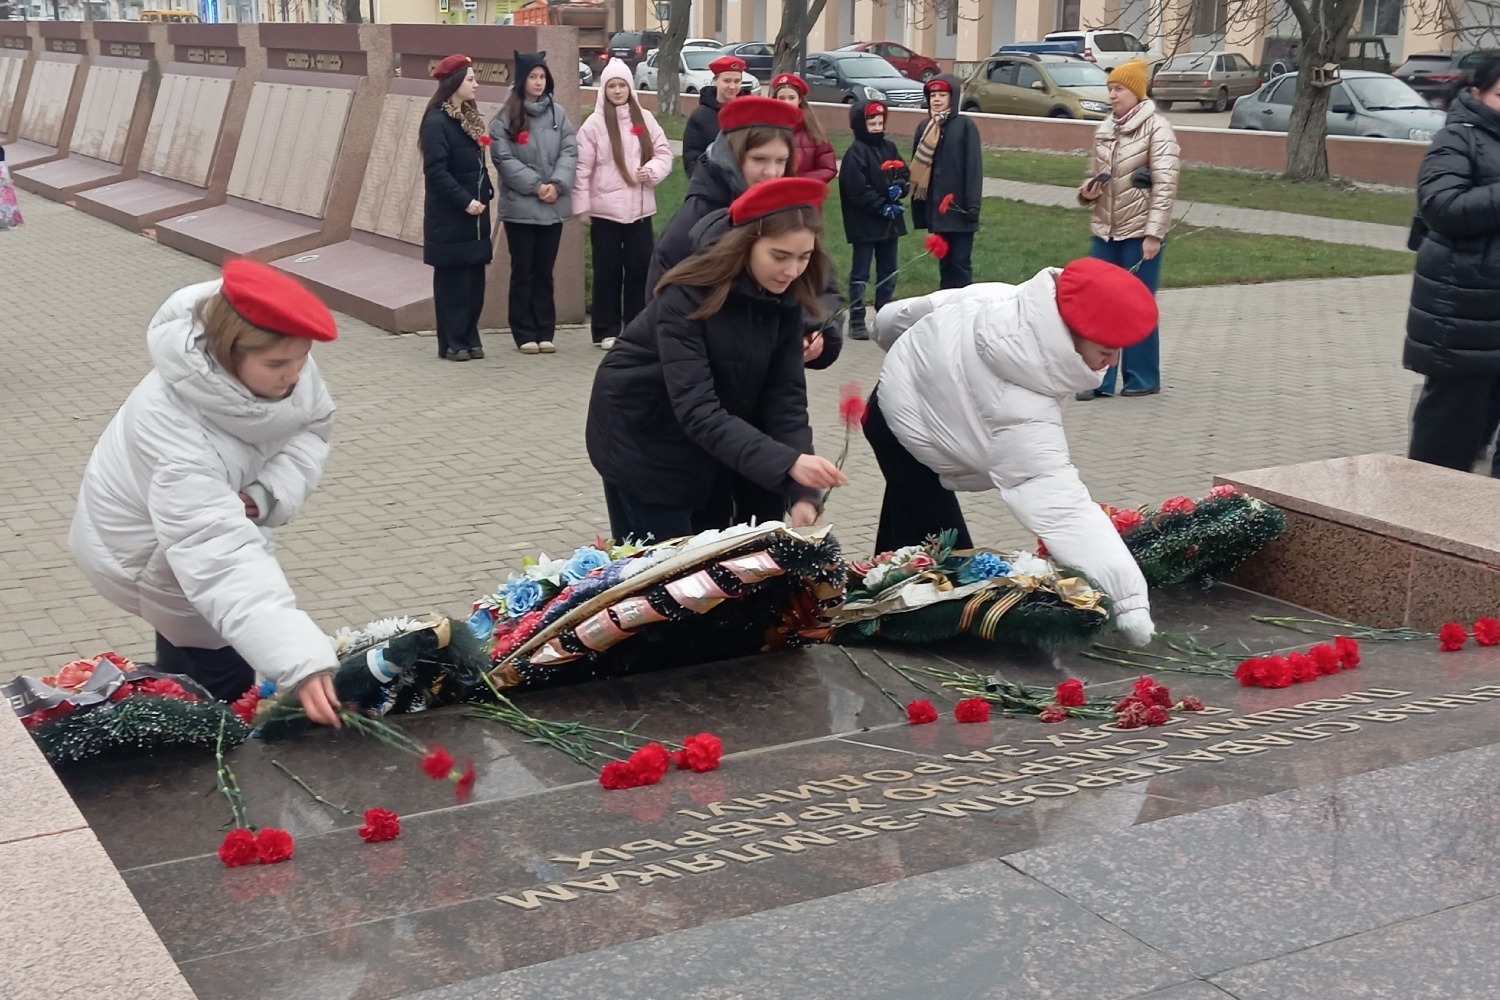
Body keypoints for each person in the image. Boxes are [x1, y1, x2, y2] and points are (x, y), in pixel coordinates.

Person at [68, 260, 344, 724]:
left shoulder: (283, 359)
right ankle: (178, 741)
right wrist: (300, 658)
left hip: (196, 532)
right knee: (216, 679)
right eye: (278, 365)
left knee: (206, 654)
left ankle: (170, 707)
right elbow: (217, 556)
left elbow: (311, 427)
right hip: (146, 550)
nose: (296, 376)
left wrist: (266, 492)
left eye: (302, 358)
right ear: (227, 351)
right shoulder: (177, 434)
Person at [865, 258, 1160, 647]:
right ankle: (910, 630)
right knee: (949, 565)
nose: (1114, 361)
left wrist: (882, 325)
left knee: (909, 532)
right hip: (907, 436)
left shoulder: (1003, 299)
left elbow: (916, 310)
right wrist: (1129, 602)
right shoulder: (1023, 408)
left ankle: (872, 602)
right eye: (1106, 350)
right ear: (1071, 332)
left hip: (889, 406)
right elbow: (1063, 510)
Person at [586, 177, 848, 542]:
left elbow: (785, 400)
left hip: (708, 446)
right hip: (643, 442)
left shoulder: (786, 300)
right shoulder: (686, 297)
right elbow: (698, 410)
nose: (792, 271)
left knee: (715, 557)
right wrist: (789, 463)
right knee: (664, 565)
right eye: (780, 256)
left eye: (804, 257)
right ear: (746, 243)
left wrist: (802, 492)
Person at [648, 95, 845, 370]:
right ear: (731, 155)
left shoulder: (793, 214)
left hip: (766, 375)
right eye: (759, 159)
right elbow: (660, 308)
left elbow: (822, 284)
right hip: (701, 375)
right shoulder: (694, 219)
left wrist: (817, 330)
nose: (771, 172)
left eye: (781, 161)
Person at [1406, 53, 1500, 475]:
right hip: (1467, 318)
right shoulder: (1458, 138)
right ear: (1477, 93)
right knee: (1445, 452)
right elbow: (1443, 207)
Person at [1075, 59, 1179, 400]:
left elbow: (1165, 186)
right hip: (1105, 231)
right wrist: (1087, 192)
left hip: (1139, 233)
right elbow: (1091, 173)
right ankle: (1099, 379)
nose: (1112, 95)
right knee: (1099, 303)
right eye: (1109, 89)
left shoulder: (1158, 129)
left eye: (1118, 89)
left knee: (1136, 305)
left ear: (1136, 92)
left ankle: (1142, 377)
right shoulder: (1105, 129)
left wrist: (1154, 235)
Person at [573, 58, 673, 350]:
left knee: (639, 268)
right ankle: (606, 329)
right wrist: (581, 206)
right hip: (605, 212)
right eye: (612, 86)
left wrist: (651, 171)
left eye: (622, 85)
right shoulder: (594, 125)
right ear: (604, 90)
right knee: (607, 270)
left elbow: (663, 153)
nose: (617, 91)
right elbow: (582, 169)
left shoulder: (645, 119)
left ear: (630, 88)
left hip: (639, 211)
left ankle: (637, 327)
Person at [488, 51, 578, 355]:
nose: (538, 82)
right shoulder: (505, 118)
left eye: (542, 77)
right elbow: (503, 159)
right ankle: (524, 332)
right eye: (533, 77)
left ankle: (545, 330)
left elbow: (569, 150)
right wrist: (537, 186)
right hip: (521, 209)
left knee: (544, 271)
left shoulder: (558, 114)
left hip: (553, 205)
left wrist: (557, 184)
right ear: (521, 80)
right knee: (523, 271)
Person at [419, 54, 495, 363]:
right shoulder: (436, 121)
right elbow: (436, 172)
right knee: (453, 284)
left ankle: (470, 338)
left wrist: (486, 189)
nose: (476, 84)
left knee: (473, 283)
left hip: (475, 216)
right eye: (470, 79)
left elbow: (475, 164)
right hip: (450, 217)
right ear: (454, 83)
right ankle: (452, 342)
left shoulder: (469, 118)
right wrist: (464, 201)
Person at [838, 99, 908, 342]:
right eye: (872, 123)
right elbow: (856, 189)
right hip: (864, 223)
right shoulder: (855, 153)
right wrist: (880, 205)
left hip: (890, 224)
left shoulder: (890, 147)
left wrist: (900, 188)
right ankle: (857, 317)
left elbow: (903, 172)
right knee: (861, 272)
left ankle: (884, 316)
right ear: (861, 124)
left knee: (888, 270)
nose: (877, 128)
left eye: (880, 123)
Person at [910, 73, 981, 290]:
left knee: (960, 262)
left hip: (959, 209)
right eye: (933, 96)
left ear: (953, 98)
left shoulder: (965, 126)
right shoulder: (925, 127)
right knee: (945, 264)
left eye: (942, 95)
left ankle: (964, 303)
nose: (937, 100)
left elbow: (973, 168)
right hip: (937, 209)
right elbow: (917, 168)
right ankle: (945, 302)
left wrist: (972, 205)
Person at [682, 54, 744, 178]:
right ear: (715, 81)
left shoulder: (750, 111)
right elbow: (692, 156)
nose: (732, 86)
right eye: (727, 81)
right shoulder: (700, 116)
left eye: (737, 81)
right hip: (713, 181)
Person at [770, 72, 837, 182]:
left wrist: (798, 181)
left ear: (800, 100)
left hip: (804, 190)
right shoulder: (766, 128)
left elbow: (828, 168)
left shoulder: (813, 131)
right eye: (782, 98)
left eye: (791, 98)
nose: (787, 102)